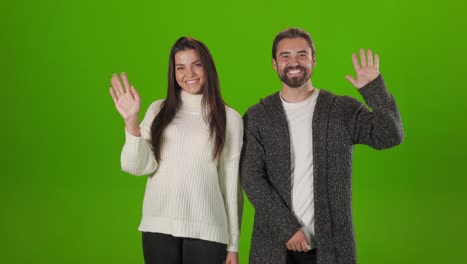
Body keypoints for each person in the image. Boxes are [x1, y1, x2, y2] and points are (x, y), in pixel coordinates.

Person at [240, 28, 404, 264]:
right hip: (273, 248)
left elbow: (390, 135)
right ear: (274, 63)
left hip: (332, 250)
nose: (293, 62)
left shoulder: (341, 109)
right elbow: (251, 178)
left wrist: (374, 89)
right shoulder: (258, 116)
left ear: (314, 60)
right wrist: (288, 228)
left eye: (302, 55)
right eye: (285, 56)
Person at [109, 37, 243, 264]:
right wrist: (131, 121)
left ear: (208, 67)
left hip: (208, 232)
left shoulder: (229, 118)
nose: (188, 73)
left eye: (196, 64)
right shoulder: (158, 110)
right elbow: (137, 166)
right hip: (158, 227)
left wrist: (233, 246)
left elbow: (230, 186)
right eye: (180, 67)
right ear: (173, 73)